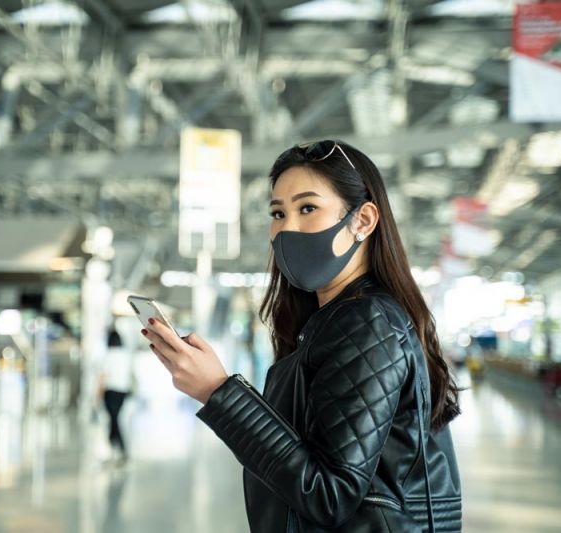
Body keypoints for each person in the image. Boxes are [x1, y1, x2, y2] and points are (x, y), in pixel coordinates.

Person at [144, 140, 462, 532]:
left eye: (307, 208)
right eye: (278, 213)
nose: (286, 228)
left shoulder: (365, 322)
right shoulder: (331, 321)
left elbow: (330, 494)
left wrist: (218, 392)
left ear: (362, 220)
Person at [96, 329, 134, 464]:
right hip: (122, 392)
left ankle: (120, 450)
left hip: (110, 391)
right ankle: (114, 451)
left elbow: (103, 377)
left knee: (114, 420)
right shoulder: (125, 356)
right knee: (114, 419)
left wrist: (98, 395)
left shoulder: (108, 355)